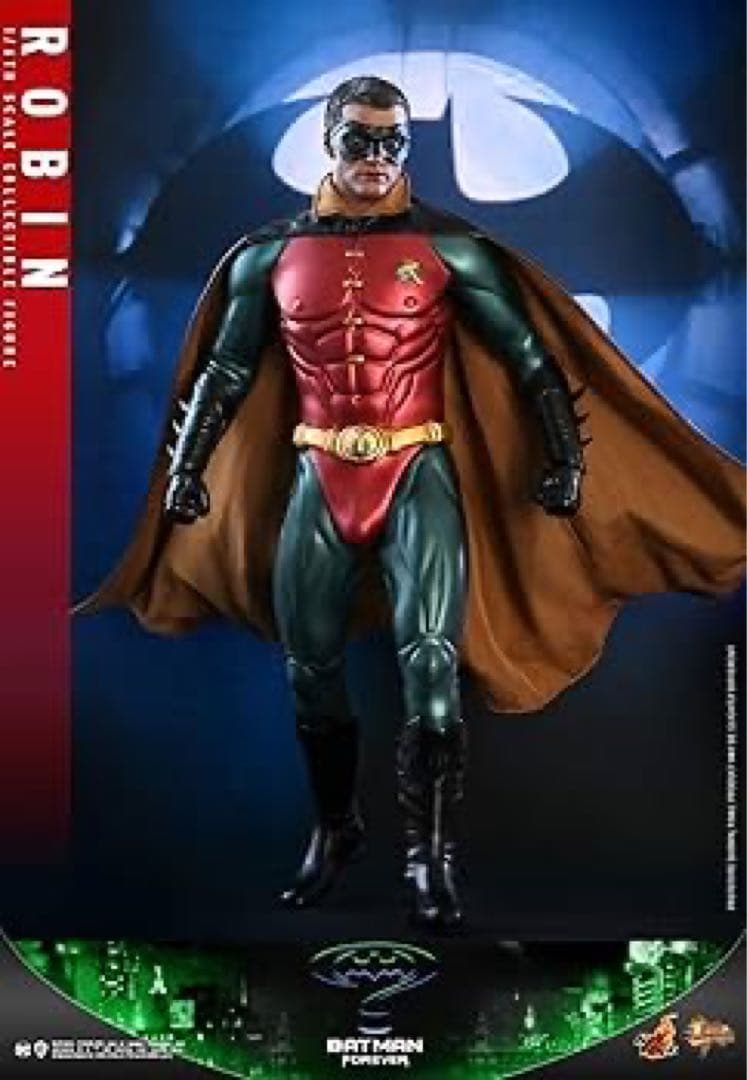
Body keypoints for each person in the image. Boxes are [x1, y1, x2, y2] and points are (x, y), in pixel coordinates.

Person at [79, 76, 745, 931]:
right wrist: (186, 468)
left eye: (392, 141)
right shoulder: (265, 257)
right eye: (360, 138)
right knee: (309, 668)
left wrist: (564, 455)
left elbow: (531, 359)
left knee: (431, 664)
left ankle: (430, 856)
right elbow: (228, 368)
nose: (376, 156)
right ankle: (335, 832)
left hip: (416, 468)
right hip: (318, 472)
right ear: (329, 139)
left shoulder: (450, 250)